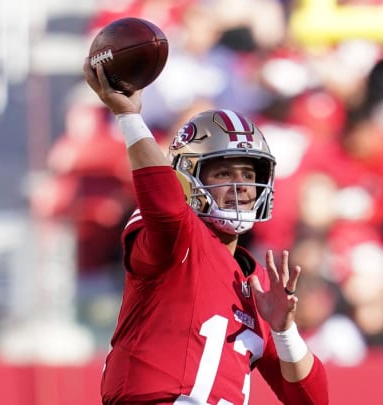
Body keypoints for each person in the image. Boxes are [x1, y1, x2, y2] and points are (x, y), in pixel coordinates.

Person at [84, 60, 329, 404]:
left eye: (248, 174)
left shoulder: (257, 283)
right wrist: (129, 117)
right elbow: (166, 207)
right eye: (223, 173)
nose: (241, 186)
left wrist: (283, 330)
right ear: (188, 177)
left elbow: (311, 401)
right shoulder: (178, 240)